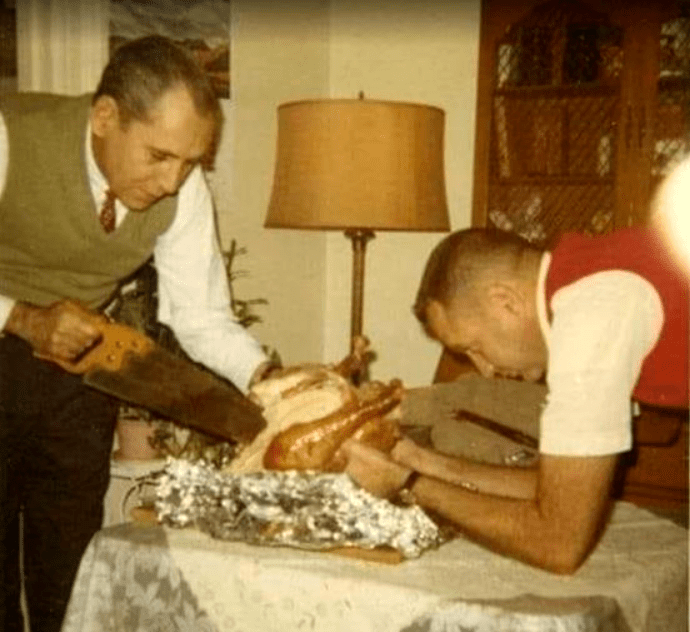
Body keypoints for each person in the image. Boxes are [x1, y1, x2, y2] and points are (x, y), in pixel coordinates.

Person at [0, 35, 273, 631]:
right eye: (159, 156)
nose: (173, 182)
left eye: (190, 162)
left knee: (70, 570)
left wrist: (268, 380)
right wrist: (22, 318)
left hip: (80, 371)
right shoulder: (8, 136)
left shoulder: (180, 188)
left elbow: (200, 317)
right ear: (105, 118)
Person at [342, 226, 688, 574]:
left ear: (504, 301)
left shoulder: (590, 317)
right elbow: (561, 490)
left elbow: (558, 542)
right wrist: (420, 462)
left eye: (473, 347)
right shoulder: (589, 285)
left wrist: (409, 485)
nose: (485, 369)